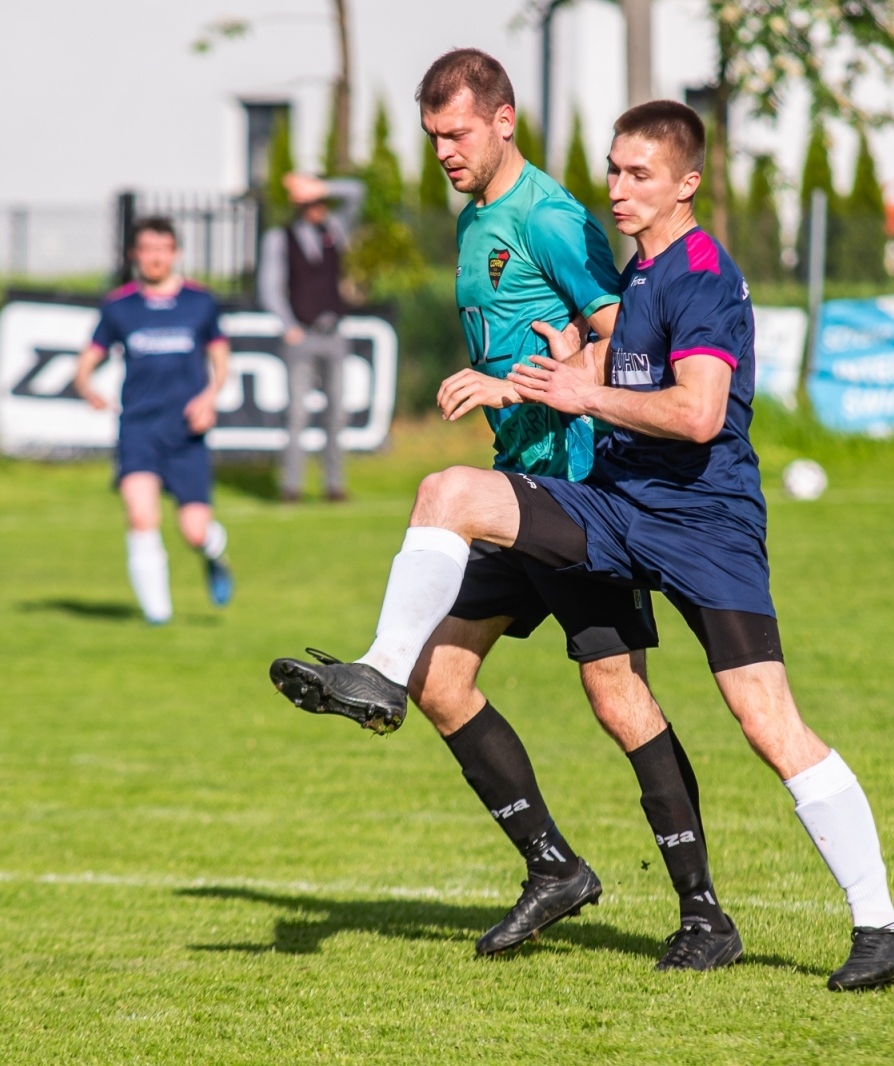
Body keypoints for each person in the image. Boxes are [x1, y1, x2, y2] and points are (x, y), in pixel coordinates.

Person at [269, 100, 894, 992]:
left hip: (707, 528)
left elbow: (695, 414)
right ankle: (382, 669)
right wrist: (540, 377)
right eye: (614, 169)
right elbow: (611, 372)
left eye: (638, 174)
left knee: (767, 721)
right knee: (448, 493)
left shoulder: (700, 275)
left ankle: (880, 928)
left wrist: (587, 398)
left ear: (687, 184)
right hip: (615, 506)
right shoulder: (641, 272)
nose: (616, 189)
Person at [278, 50, 739, 968]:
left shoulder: (551, 216)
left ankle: (704, 913)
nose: (443, 151)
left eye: (456, 133)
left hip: (576, 490)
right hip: (515, 487)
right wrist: (510, 392)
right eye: (432, 137)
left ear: (503, 120)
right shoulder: (479, 216)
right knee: (441, 684)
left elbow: (623, 339)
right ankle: (555, 869)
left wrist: (521, 385)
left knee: (617, 694)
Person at [75, 216, 233, 624]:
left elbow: (220, 358)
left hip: (186, 431)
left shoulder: (200, 302)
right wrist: (88, 388)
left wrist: (210, 397)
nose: (155, 257)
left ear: (175, 252)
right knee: (141, 516)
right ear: (135, 255)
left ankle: (214, 554)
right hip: (139, 429)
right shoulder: (119, 306)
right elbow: (86, 363)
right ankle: (158, 616)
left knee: (195, 531)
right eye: (146, 249)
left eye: (162, 249)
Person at [257, 171, 364, 502]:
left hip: (333, 332)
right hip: (301, 334)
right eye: (311, 200)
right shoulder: (280, 237)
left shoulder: (334, 229)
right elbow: (269, 287)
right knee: (297, 416)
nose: (318, 206)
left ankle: (334, 484)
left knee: (336, 414)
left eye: (320, 199)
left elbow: (358, 192)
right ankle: (292, 486)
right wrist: (287, 324)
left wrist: (322, 185)